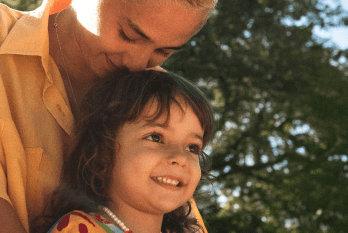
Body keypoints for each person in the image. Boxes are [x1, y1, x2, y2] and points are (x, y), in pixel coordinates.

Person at [0, 0, 224, 232]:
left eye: (163, 51)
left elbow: (175, 216)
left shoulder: (157, 97)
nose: (137, 64)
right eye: (129, 34)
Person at [31, 69, 214, 233]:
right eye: (155, 137)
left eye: (192, 147)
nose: (180, 157)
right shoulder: (79, 229)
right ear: (103, 151)